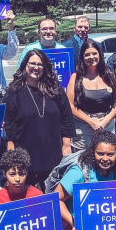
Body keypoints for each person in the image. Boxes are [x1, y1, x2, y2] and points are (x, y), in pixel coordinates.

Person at [4, 49, 75, 189]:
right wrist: (11, 151)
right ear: (25, 65)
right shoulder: (14, 92)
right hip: (24, 155)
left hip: (53, 153)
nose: (36, 67)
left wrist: (67, 146)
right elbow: (9, 123)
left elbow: (66, 118)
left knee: (53, 197)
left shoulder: (56, 90)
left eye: (40, 64)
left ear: (45, 67)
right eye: (32, 64)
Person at [54, 130, 116, 230]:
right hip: (74, 220)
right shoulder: (79, 172)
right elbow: (56, 200)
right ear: (92, 152)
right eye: (100, 153)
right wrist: (74, 222)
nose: (105, 159)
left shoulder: (113, 172)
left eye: (110, 154)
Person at [0, 148, 45, 230]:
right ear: (4, 174)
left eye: (22, 174)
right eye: (12, 174)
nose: (17, 179)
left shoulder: (37, 195)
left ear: (27, 173)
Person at [67, 40, 116, 151]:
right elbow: (71, 106)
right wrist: (91, 122)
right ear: (82, 57)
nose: (91, 57)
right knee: (83, 164)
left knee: (106, 161)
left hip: (107, 126)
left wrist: (105, 121)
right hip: (84, 130)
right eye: (87, 54)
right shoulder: (75, 78)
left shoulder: (109, 76)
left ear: (100, 55)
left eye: (94, 53)